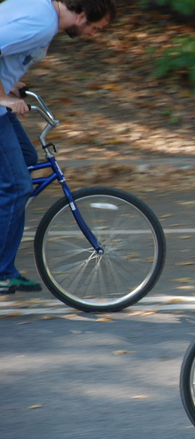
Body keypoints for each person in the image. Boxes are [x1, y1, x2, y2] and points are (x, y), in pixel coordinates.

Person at [0, 0, 116, 295]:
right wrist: (2, 96)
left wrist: (10, 83)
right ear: (81, 15)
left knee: (26, 161)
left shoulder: (40, 9)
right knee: (18, 186)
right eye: (95, 27)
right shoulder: (42, 23)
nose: (93, 34)